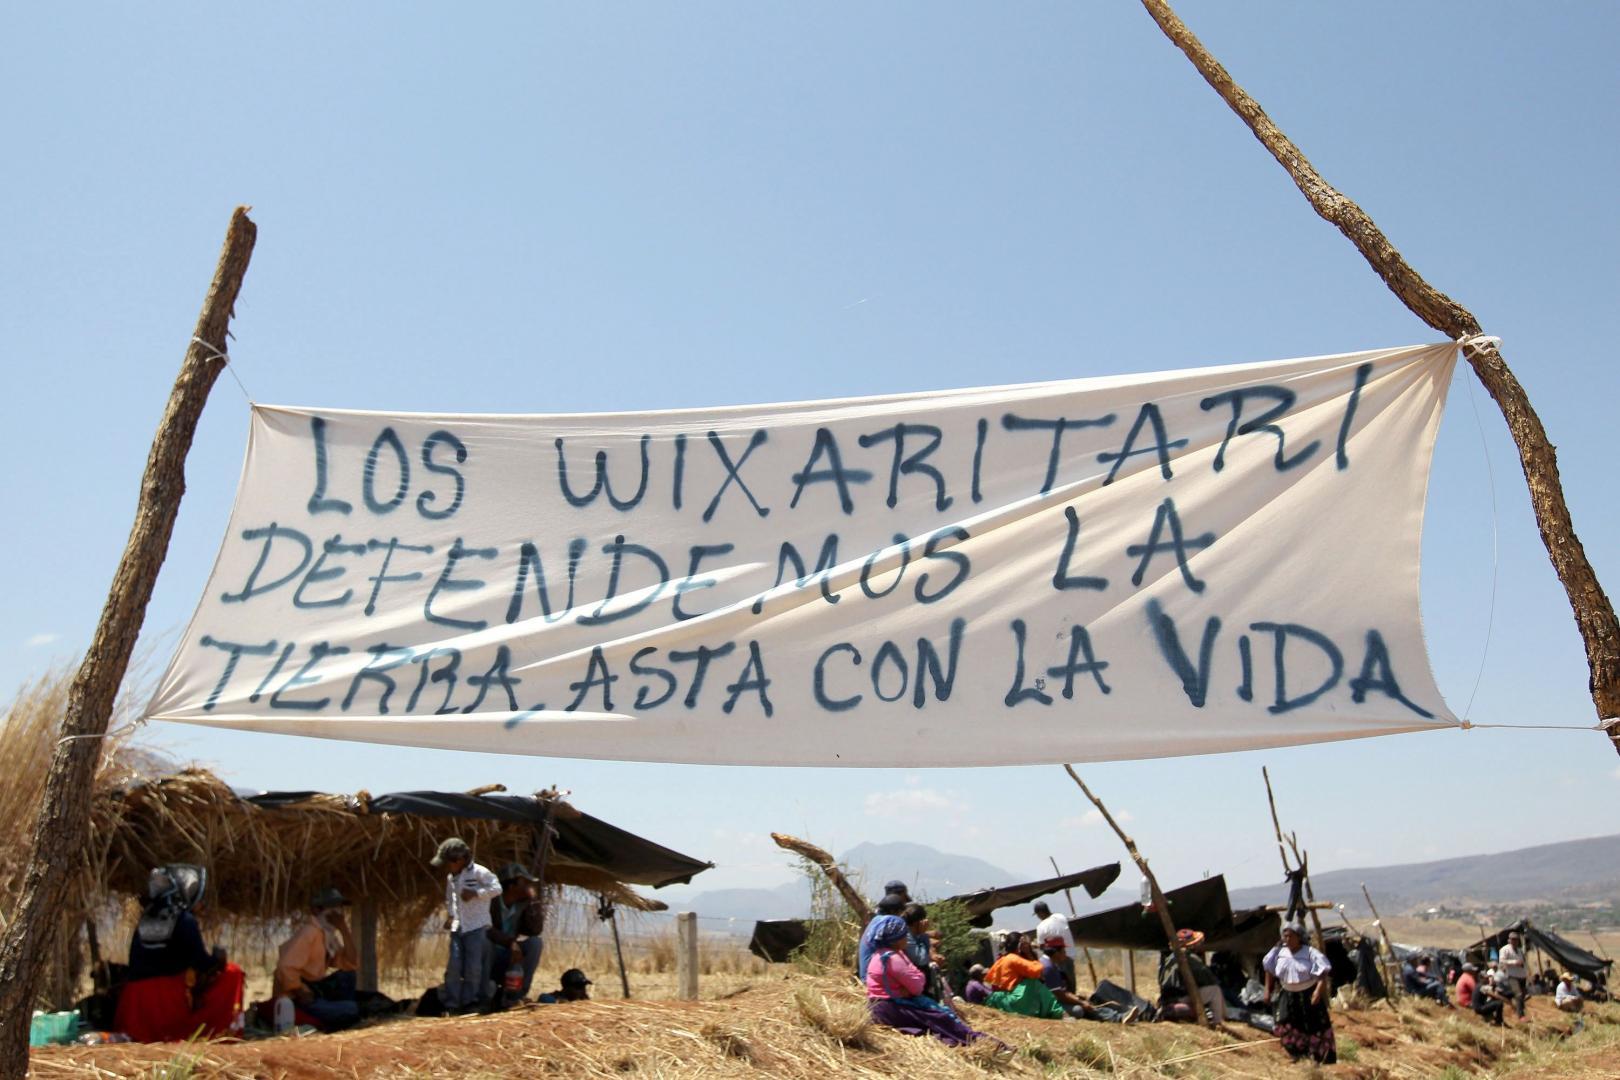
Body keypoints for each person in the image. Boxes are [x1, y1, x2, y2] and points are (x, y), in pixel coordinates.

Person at [114, 865, 246, 1043]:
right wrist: (217, 960)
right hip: (166, 1003)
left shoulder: (146, 917)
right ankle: (220, 1031)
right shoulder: (184, 920)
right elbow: (201, 963)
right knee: (232, 973)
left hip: (134, 1004)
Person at [864, 915, 987, 1045]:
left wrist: (913, 979)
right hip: (891, 1007)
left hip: (878, 1006)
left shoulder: (882, 954)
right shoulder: (893, 958)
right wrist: (915, 978)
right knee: (940, 1018)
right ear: (895, 938)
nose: (906, 936)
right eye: (903, 934)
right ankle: (979, 1041)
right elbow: (917, 987)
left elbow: (916, 976)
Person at [273, 887, 360, 1031]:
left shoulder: (327, 935)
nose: (337, 913)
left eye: (339, 907)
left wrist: (344, 929)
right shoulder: (309, 933)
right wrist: (300, 991)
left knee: (348, 977)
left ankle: (339, 1013)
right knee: (351, 1009)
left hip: (316, 990)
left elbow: (351, 963)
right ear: (316, 910)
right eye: (332, 907)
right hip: (297, 998)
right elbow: (285, 967)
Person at [432, 837, 502, 1013]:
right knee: (454, 966)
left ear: (461, 859)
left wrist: (476, 893)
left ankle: (470, 1002)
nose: (449, 867)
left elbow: (496, 888)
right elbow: (451, 898)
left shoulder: (480, 872)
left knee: (473, 967)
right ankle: (452, 1004)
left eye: (450, 862)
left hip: (476, 927)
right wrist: (451, 915)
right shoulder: (451, 878)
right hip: (458, 927)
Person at [1263, 923, 1336, 1065]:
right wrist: (1267, 990)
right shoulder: (1278, 952)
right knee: (1285, 1022)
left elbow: (1322, 973)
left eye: (1291, 936)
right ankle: (1296, 1054)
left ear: (1299, 937)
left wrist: (1317, 991)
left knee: (1313, 1024)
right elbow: (1269, 969)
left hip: (1308, 994)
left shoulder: (1310, 953)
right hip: (1287, 994)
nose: (1287, 939)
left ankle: (1318, 1057)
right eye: (1285, 936)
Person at [486, 863, 545, 1007]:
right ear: (512, 886)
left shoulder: (523, 905)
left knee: (535, 943)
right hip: (488, 957)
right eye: (524, 882)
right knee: (483, 942)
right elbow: (485, 928)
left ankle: (516, 997)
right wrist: (510, 942)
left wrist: (534, 901)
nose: (529, 885)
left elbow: (535, 930)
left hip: (511, 958)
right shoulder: (489, 902)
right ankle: (483, 994)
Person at [984, 933, 1065, 1019]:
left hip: (1004, 1000)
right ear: (1020, 945)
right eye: (1025, 944)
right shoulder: (1013, 958)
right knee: (1032, 982)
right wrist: (1029, 952)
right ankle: (1057, 1012)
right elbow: (1037, 970)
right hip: (1013, 1002)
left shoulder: (1002, 959)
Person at [1159, 929, 1226, 1023]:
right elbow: (1208, 978)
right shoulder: (1189, 957)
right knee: (1215, 990)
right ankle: (1217, 1022)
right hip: (1178, 998)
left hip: (1167, 998)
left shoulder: (1170, 958)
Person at [855, 892, 908, 982]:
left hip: (869, 974)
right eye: (900, 913)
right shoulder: (885, 923)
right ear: (893, 911)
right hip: (872, 978)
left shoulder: (878, 920)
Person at [1033, 900, 1076, 989]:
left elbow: (1042, 946)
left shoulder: (1041, 927)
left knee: (1061, 987)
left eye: (1037, 914)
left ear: (1040, 913)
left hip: (1057, 959)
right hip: (1069, 955)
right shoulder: (1061, 917)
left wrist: (1034, 945)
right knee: (1071, 984)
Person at [1498, 931, 1528, 1019]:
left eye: (1516, 940)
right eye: (1513, 939)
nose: (1515, 941)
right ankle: (1520, 1015)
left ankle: (1520, 1010)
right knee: (1518, 994)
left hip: (1522, 975)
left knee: (1523, 995)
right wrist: (1514, 962)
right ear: (1509, 940)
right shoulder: (1505, 950)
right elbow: (1502, 961)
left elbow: (1523, 962)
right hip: (1512, 975)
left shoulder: (1519, 950)